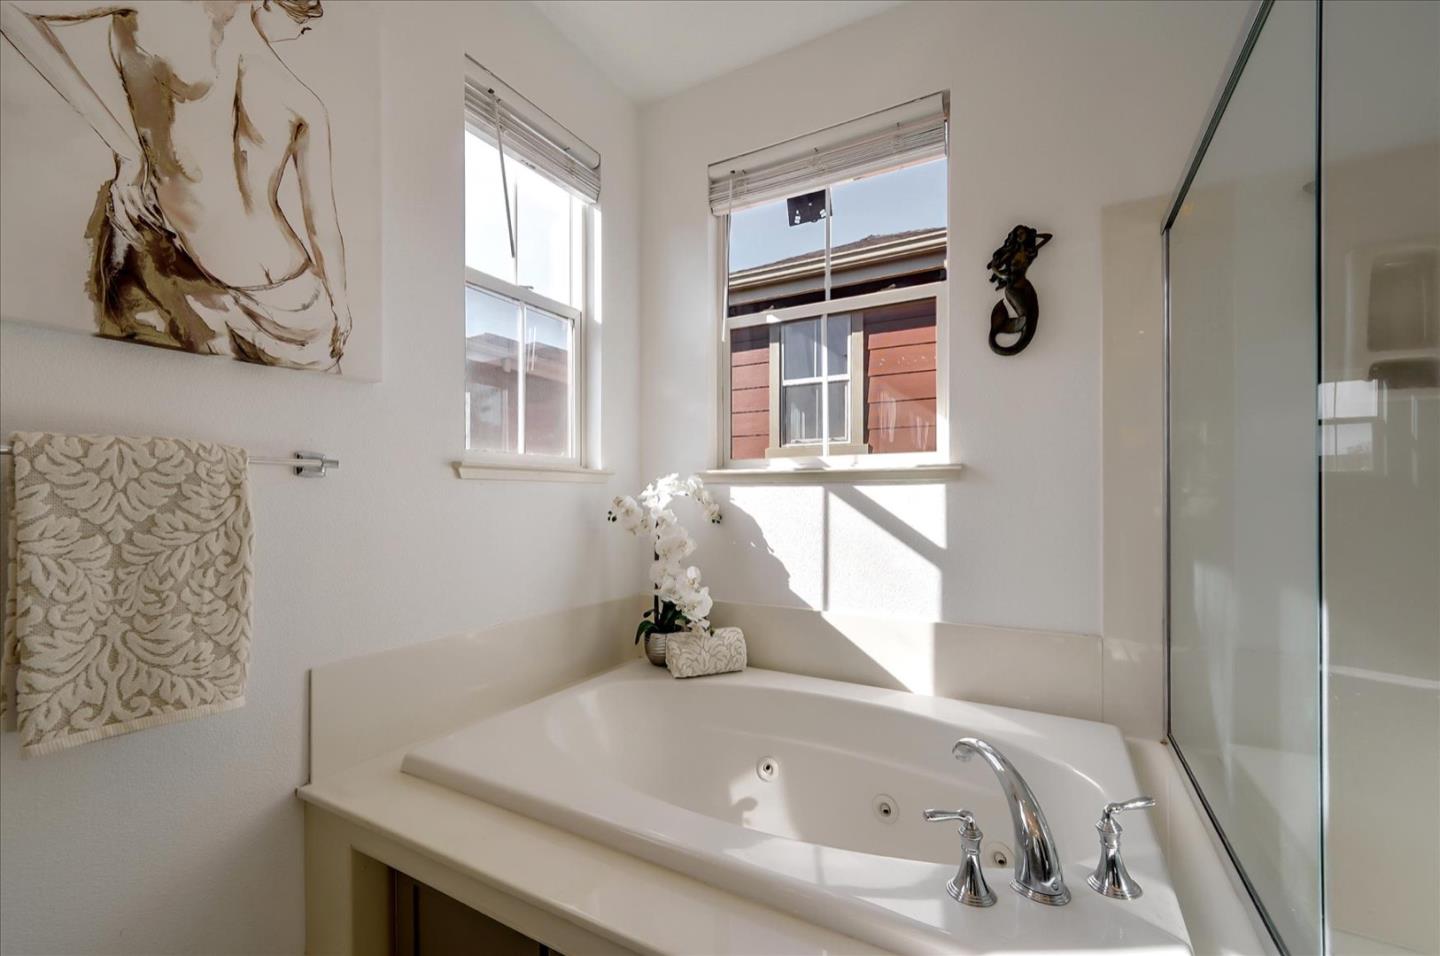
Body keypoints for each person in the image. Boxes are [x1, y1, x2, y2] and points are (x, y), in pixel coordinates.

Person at [0, 0, 352, 370]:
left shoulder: (165, 26)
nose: (304, 28)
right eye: (303, 18)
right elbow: (322, 226)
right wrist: (339, 300)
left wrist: (128, 150)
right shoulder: (302, 101)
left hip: (285, 304)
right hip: (223, 283)